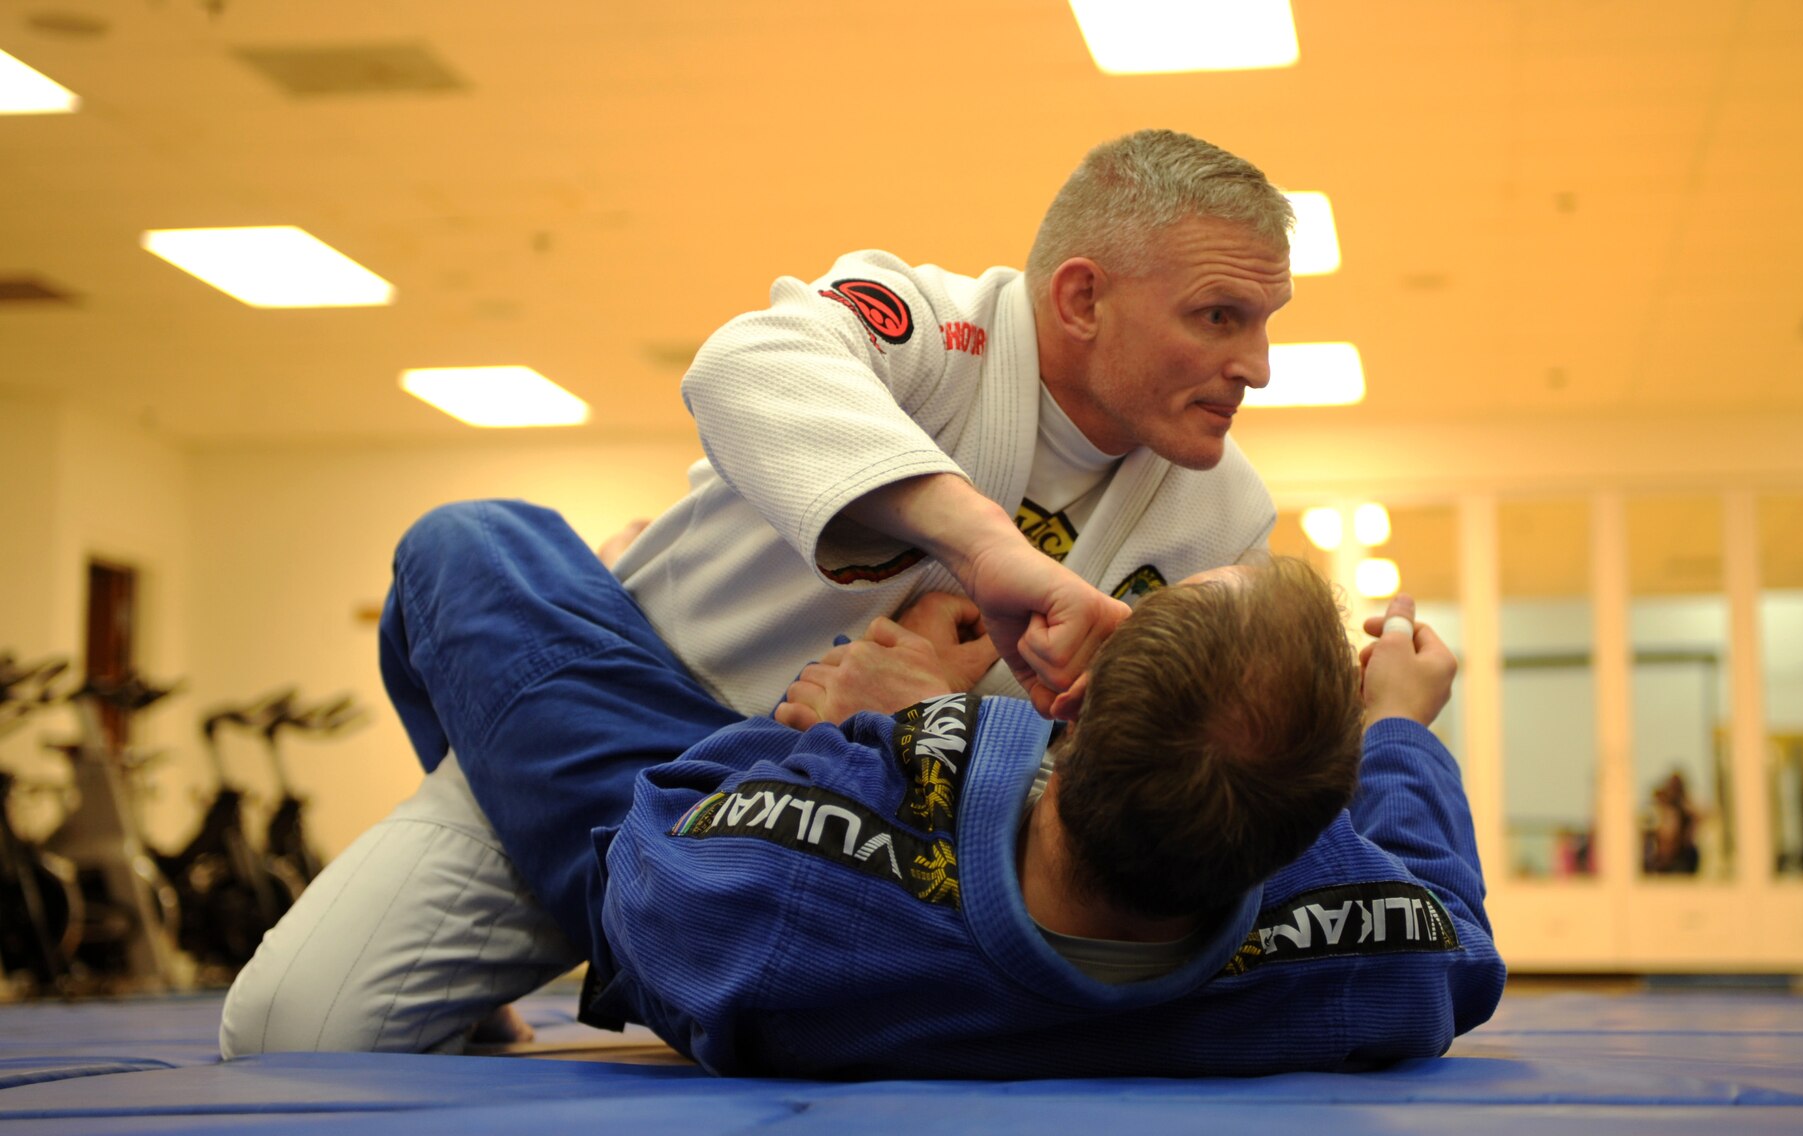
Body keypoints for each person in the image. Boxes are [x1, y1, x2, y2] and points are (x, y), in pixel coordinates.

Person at [222, 128, 1300, 1056]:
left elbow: (1117, 798)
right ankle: (585, 893)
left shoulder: (1221, 517)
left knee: (471, 546)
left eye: (1265, 321)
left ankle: (629, 924)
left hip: (817, 834)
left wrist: (934, 720)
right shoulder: (939, 331)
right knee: (285, 1032)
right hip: (606, 706)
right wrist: (981, 544)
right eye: (1219, 316)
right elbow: (744, 363)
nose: (1255, 364)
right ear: (1080, 298)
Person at [241, 501, 1504, 1076]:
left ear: (1059, 719)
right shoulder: (1356, 952)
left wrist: (892, 727)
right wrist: (1397, 730)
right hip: (850, 873)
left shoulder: (783, 903)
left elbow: (659, 827)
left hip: (668, 861)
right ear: (1301, 824)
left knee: (472, 545)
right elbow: (1449, 931)